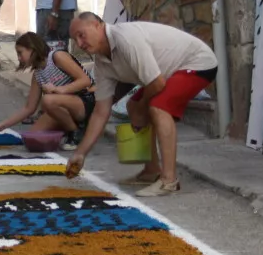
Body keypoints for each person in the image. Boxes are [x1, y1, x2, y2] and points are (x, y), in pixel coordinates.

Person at [66, 13, 218, 197]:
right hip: (168, 72)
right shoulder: (101, 64)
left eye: (81, 35)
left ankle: (169, 181)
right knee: (133, 105)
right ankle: (151, 171)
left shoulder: (126, 39)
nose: (80, 44)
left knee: (158, 106)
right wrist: (80, 153)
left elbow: (158, 84)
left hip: (198, 62)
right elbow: (101, 111)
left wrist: (142, 106)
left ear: (98, 25)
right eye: (75, 39)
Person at [0, 32, 94, 148]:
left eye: (20, 53)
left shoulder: (57, 56)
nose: (18, 58)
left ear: (32, 49)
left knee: (48, 100)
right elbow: (29, 108)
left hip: (85, 102)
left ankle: (75, 132)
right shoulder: (37, 75)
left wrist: (59, 89)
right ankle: (69, 127)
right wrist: (0, 126)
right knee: (33, 137)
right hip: (64, 108)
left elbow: (86, 80)